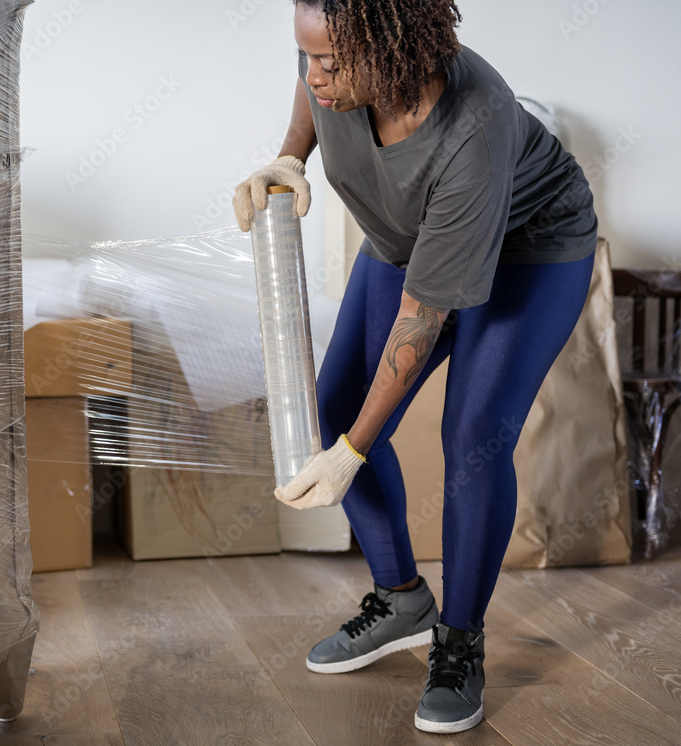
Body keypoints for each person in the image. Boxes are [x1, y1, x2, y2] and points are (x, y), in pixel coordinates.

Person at [232, 0, 597, 735]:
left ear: (392, 52)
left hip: (533, 246)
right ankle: (401, 600)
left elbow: (421, 320)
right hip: (410, 238)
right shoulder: (337, 53)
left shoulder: (474, 124)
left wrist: (355, 454)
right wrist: (289, 155)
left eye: (328, 62)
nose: (314, 75)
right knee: (335, 409)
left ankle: (459, 641)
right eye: (305, 56)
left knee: (472, 437)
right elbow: (311, 93)